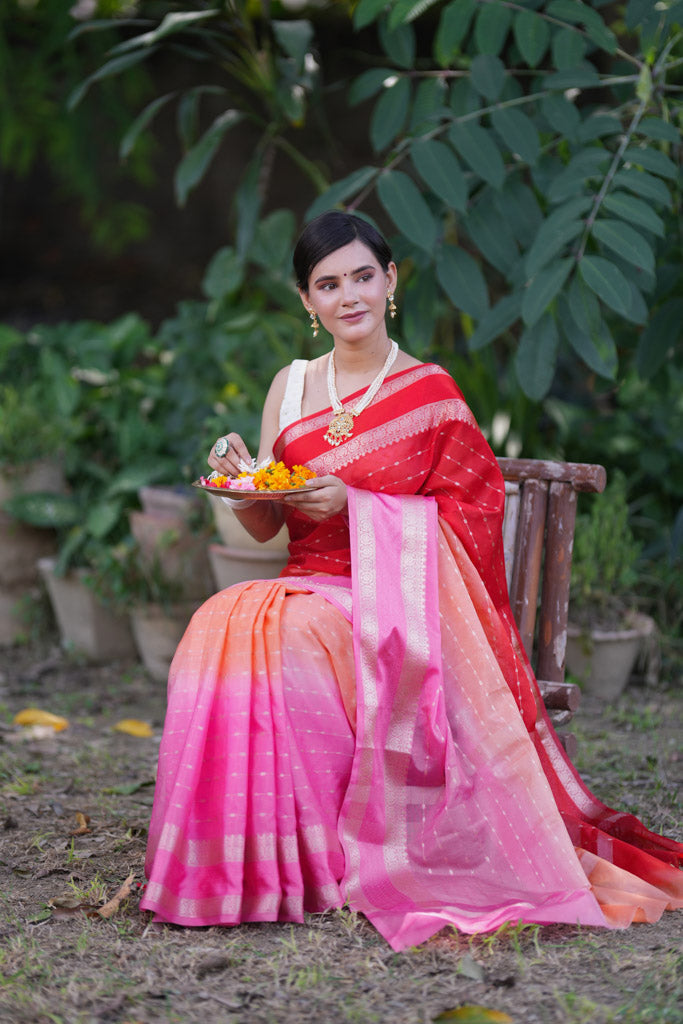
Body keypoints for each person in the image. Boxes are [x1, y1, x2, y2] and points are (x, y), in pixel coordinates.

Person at [140, 211, 682, 950]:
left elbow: (475, 513)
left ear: (389, 281)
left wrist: (356, 505)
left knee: (291, 632)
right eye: (327, 284)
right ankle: (250, 868)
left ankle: (322, 865)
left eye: (362, 276)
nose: (348, 296)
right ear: (307, 300)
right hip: (304, 583)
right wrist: (243, 487)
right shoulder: (291, 388)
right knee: (218, 620)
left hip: (396, 601)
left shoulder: (429, 392)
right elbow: (266, 528)